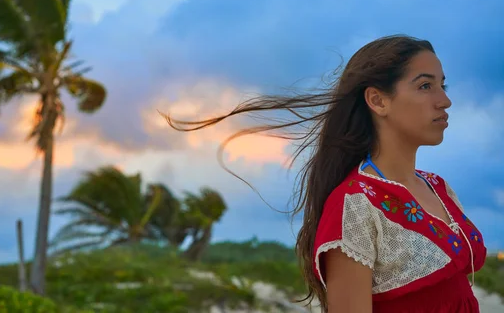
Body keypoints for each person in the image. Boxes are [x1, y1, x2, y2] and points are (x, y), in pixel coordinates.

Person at [162, 35, 486, 312]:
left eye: (442, 85)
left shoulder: (438, 187)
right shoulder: (355, 205)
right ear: (377, 100)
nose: (444, 101)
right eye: (425, 86)